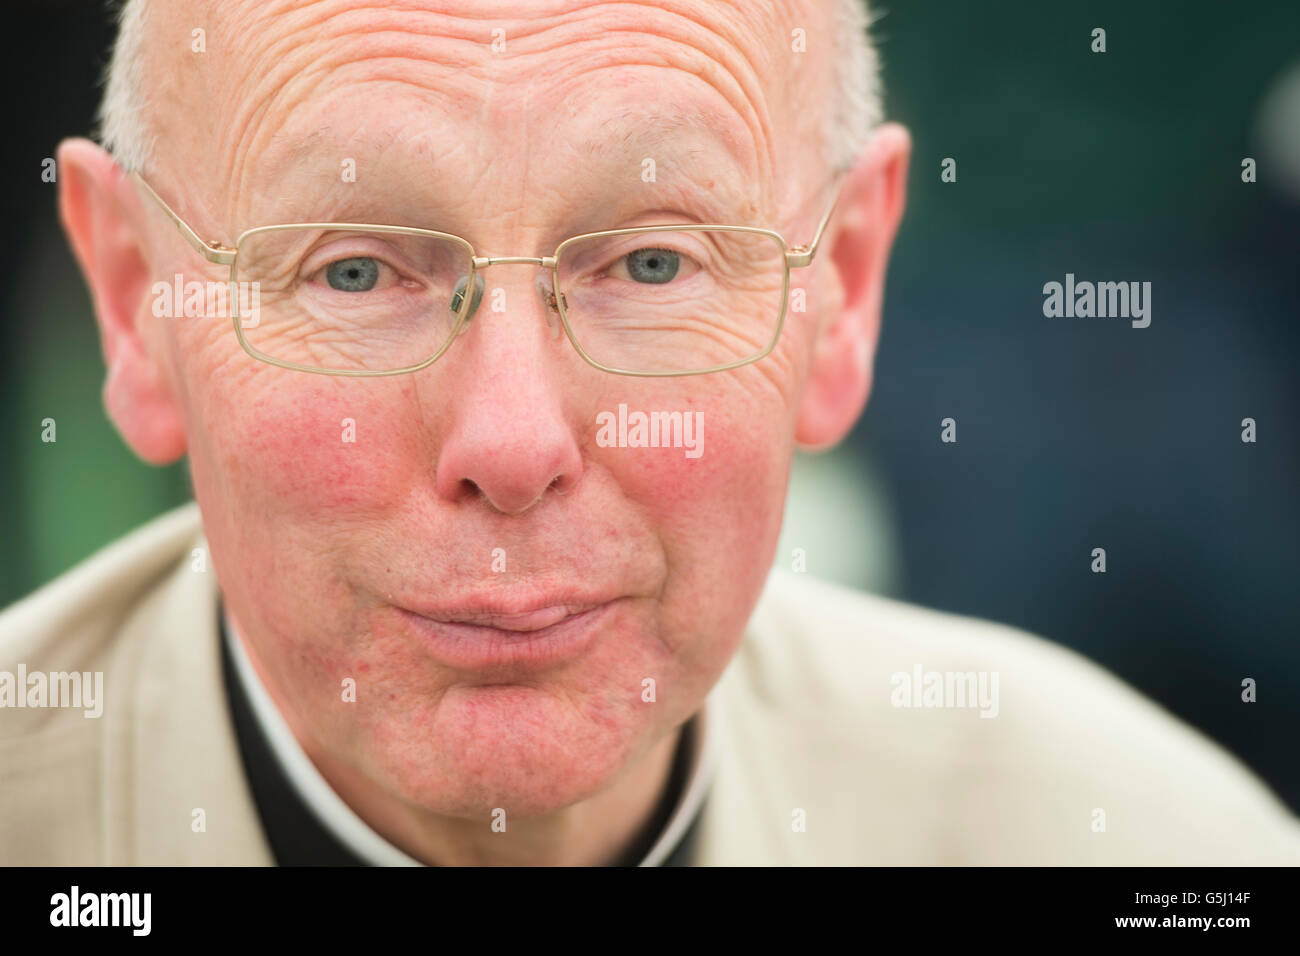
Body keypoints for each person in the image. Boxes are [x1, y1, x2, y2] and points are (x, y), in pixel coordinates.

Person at [2, 0, 1297, 866]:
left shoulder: (1141, 845)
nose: (511, 442)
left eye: (654, 265)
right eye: (352, 274)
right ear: (136, 306)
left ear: (840, 291)